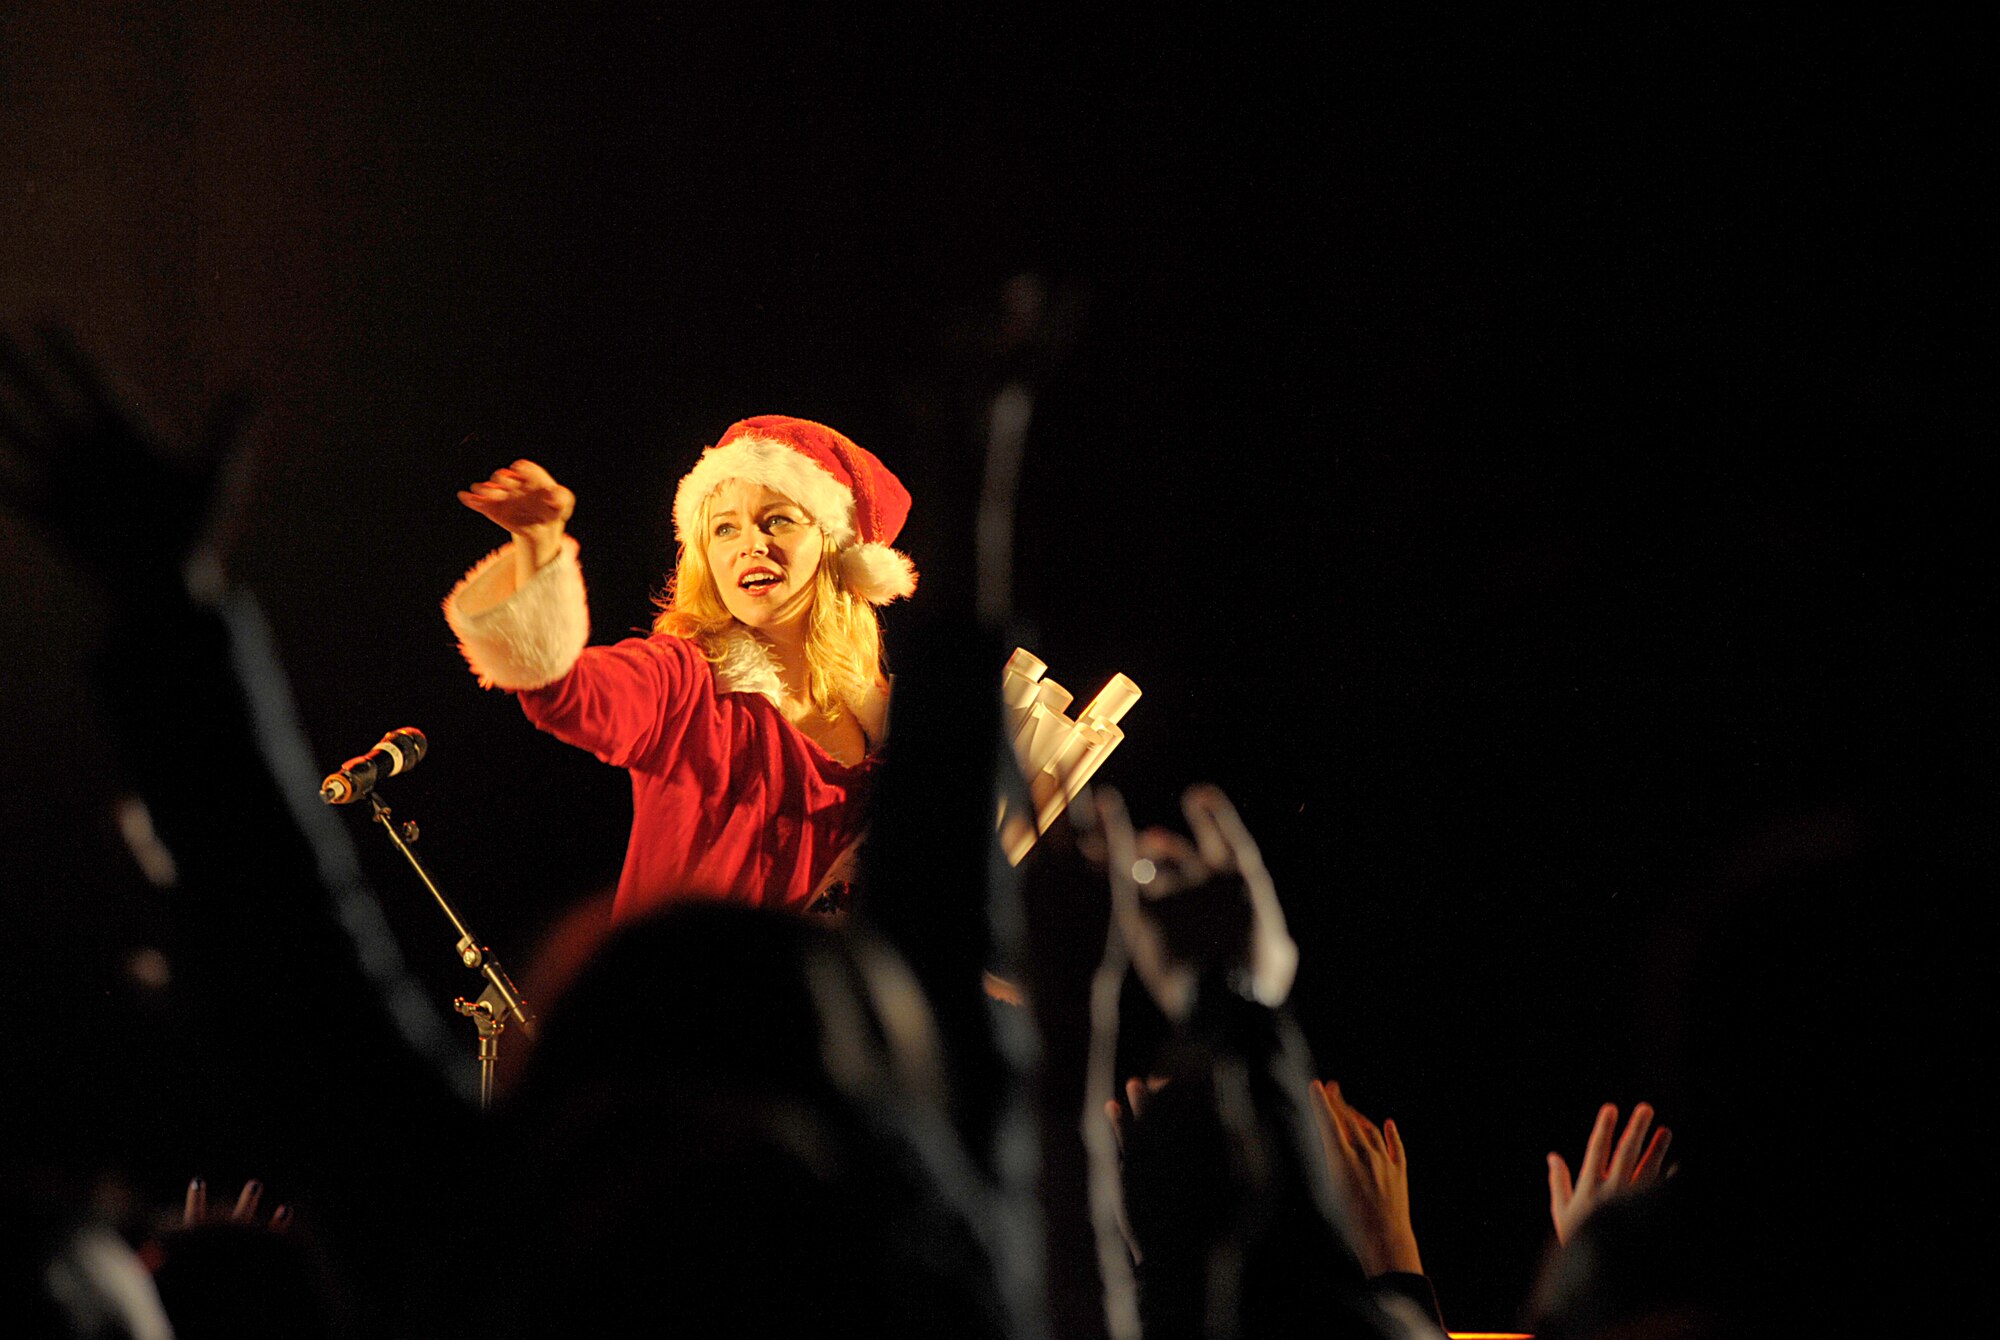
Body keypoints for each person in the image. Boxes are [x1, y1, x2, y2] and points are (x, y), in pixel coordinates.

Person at [444, 415, 918, 919]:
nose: (750, 545)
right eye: (724, 528)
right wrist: (538, 543)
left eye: (777, 519)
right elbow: (562, 689)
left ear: (838, 548)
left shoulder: (893, 736)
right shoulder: (686, 683)